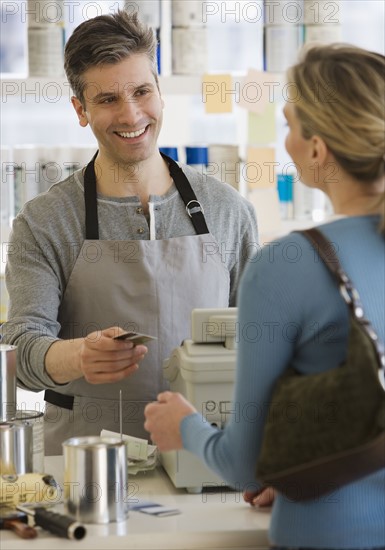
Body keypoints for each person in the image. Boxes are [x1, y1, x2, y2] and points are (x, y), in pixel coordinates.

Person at [144, 44, 385, 549]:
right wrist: (304, 460)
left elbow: (242, 464)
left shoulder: (290, 265)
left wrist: (183, 426)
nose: (286, 142)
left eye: (290, 125)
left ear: (318, 149)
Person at [0, 10, 258, 455]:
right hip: (87, 471)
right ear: (80, 110)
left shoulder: (228, 210)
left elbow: (262, 346)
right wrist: (78, 356)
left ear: (160, 91)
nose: (132, 114)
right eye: (107, 99)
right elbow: (19, 350)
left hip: (209, 461)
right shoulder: (44, 222)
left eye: (142, 91)